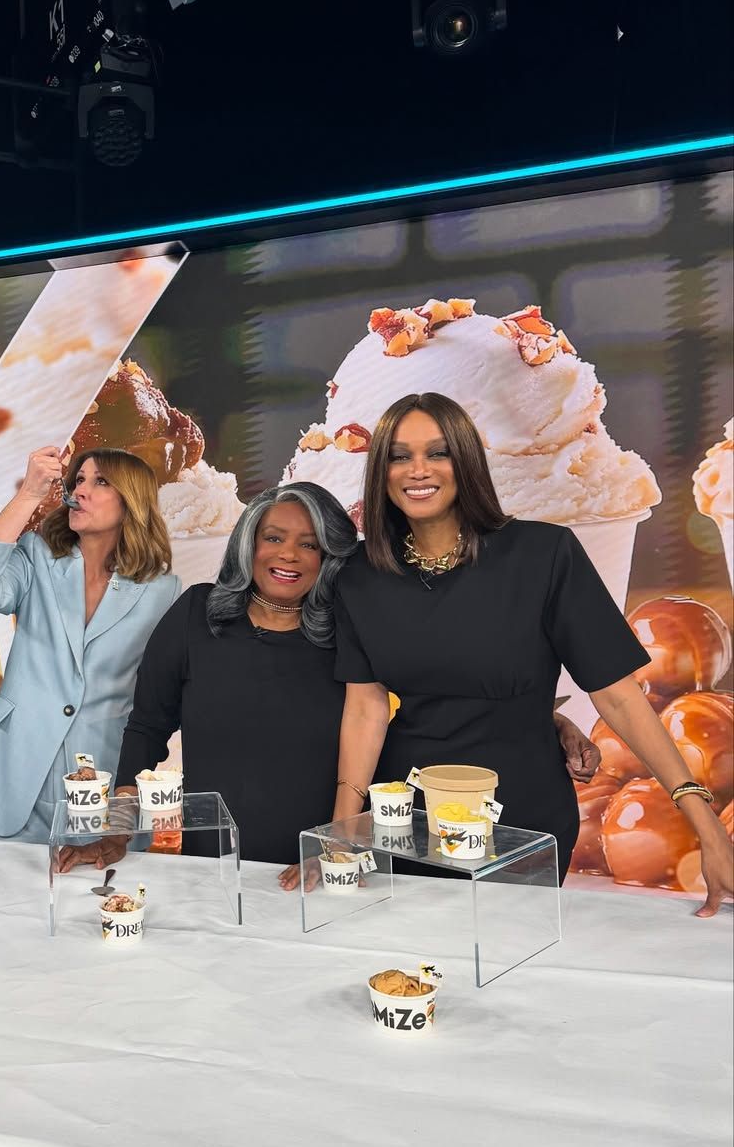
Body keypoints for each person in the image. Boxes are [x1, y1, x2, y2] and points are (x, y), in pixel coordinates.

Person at [331, 391, 734, 915]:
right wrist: (340, 835)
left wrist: (705, 824)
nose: (418, 470)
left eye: (438, 452)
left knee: (514, 957)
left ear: (466, 460)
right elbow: (365, 710)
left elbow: (618, 697)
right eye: (399, 456)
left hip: (525, 814)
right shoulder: (358, 576)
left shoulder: (544, 554)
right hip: (409, 821)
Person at [111, 482, 598, 872]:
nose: (288, 555)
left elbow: (437, 699)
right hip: (213, 865)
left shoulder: (355, 631)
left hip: (332, 864)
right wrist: (117, 823)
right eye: (273, 538)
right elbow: (148, 726)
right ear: (248, 542)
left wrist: (547, 721)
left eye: (310, 544)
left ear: (332, 557)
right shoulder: (196, 614)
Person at [0, 445, 181, 857]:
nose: (80, 490)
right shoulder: (36, 555)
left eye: (100, 481)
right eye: (78, 480)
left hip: (101, 778)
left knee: (99, 894)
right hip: (12, 775)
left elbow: (158, 695)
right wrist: (29, 494)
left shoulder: (164, 588)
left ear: (132, 500)